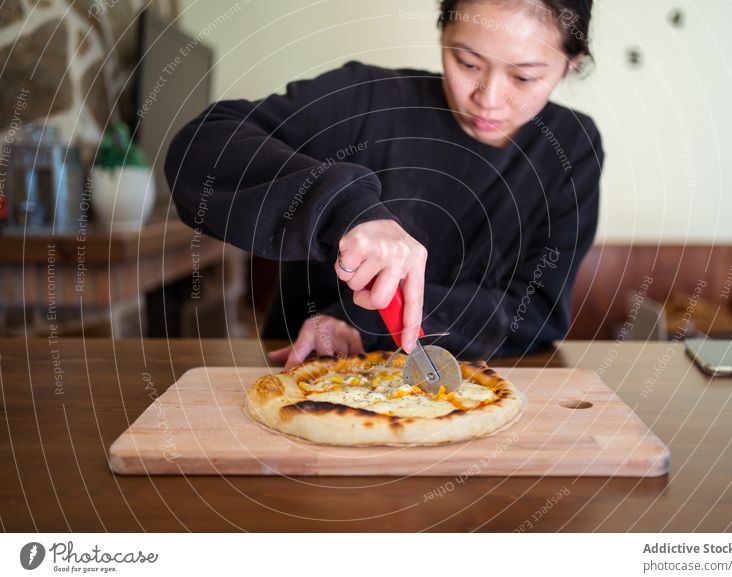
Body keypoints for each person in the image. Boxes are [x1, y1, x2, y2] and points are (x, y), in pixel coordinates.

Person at [165, 0, 603, 368]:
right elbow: (200, 147)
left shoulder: (571, 147)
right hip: (313, 372)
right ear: (443, 32)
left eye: (524, 77)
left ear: (570, 64)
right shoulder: (367, 99)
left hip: (481, 381)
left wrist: (363, 322)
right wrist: (345, 209)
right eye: (467, 62)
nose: (488, 98)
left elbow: (536, 310)